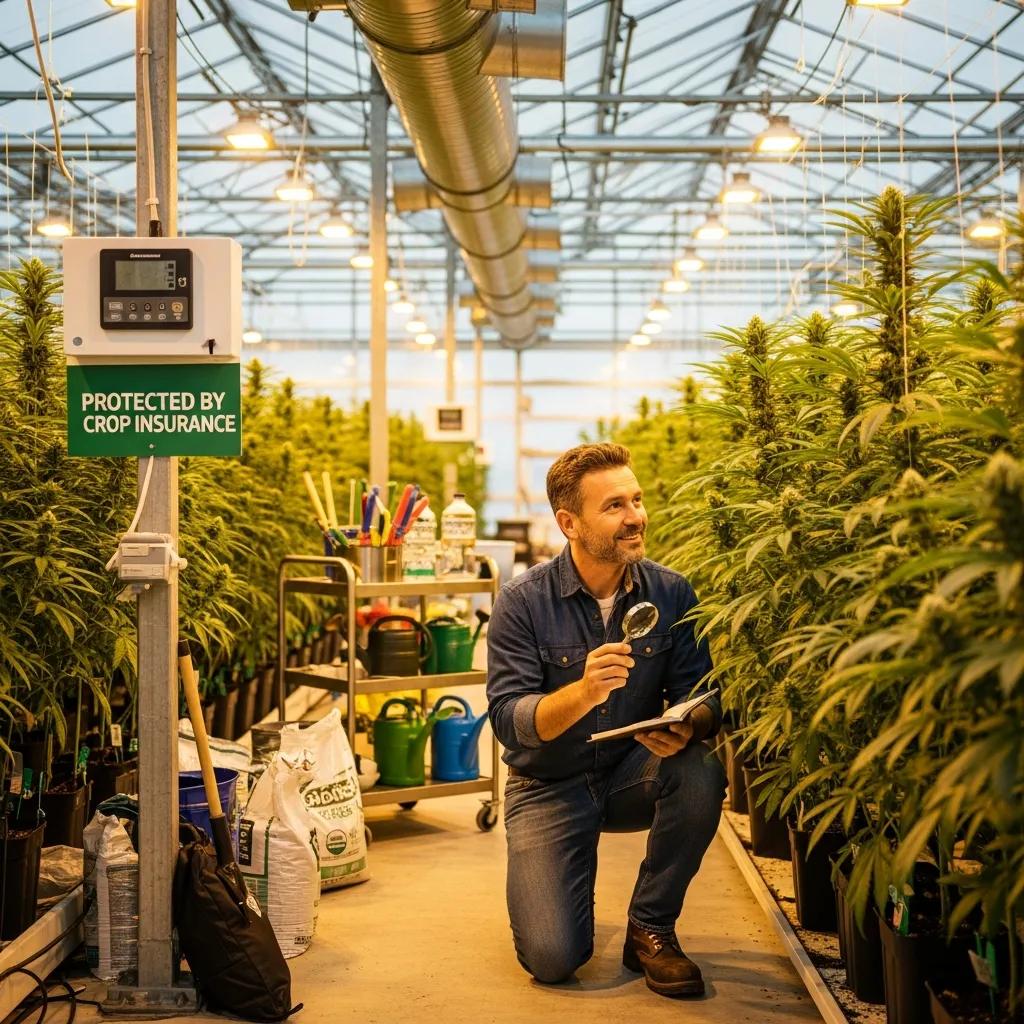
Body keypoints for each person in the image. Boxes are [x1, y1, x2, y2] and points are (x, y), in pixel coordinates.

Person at [486, 442, 726, 998]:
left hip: (630, 773)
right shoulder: (522, 601)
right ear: (569, 523)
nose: (635, 516)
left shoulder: (670, 591)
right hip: (547, 785)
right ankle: (561, 884)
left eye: (636, 500)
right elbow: (508, 719)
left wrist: (688, 724)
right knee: (552, 958)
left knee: (699, 767)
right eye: (614, 506)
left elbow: (704, 694)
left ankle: (650, 927)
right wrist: (584, 691)